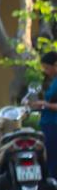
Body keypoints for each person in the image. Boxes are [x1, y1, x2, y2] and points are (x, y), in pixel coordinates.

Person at [32, 50, 57, 178]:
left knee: (53, 160)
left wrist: (45, 104)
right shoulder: (53, 81)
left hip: (54, 125)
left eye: (47, 68)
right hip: (47, 124)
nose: (45, 71)